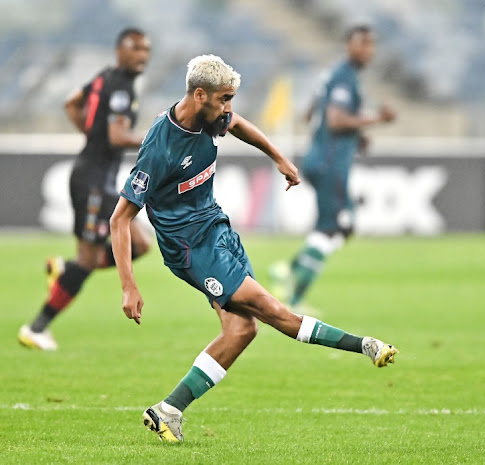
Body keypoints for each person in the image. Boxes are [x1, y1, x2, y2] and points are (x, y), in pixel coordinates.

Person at [110, 55, 398, 443]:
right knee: (271, 309)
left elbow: (240, 125)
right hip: (191, 249)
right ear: (200, 95)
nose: (229, 108)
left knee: (243, 330)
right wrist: (129, 285)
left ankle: (168, 410)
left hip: (217, 230)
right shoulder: (159, 149)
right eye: (224, 99)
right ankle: (365, 344)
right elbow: (119, 219)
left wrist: (279, 157)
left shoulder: (210, 116)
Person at [18, 28, 152, 350]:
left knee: (141, 245)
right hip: (94, 182)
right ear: (119, 49)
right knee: (89, 260)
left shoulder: (106, 76)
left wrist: (90, 134)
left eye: (146, 50)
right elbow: (118, 137)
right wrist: (156, 137)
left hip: (98, 178)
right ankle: (36, 327)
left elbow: (71, 103)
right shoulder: (120, 85)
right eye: (135, 48)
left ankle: (65, 269)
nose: (142, 56)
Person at [269, 24, 396, 309]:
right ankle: (294, 294)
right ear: (348, 45)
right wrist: (377, 119)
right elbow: (336, 120)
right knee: (334, 227)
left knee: (342, 226)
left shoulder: (335, 76)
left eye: (372, 44)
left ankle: (289, 270)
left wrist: (356, 135)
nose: (369, 49)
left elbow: (310, 113)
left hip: (323, 159)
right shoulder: (344, 77)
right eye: (362, 43)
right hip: (329, 164)